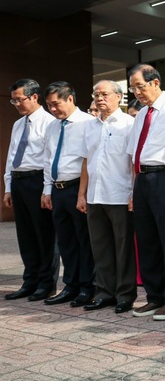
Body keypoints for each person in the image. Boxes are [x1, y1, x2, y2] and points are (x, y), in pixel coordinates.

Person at [126, 64, 165, 321]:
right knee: (147, 241)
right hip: (142, 180)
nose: (138, 92)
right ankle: (154, 297)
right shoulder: (142, 114)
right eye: (133, 88)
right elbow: (135, 155)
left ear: (155, 82)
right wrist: (134, 189)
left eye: (140, 86)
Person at [76, 80, 137, 313]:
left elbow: (134, 162)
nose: (100, 98)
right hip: (94, 196)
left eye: (105, 94)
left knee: (123, 249)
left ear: (118, 97)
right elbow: (86, 161)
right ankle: (104, 293)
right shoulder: (89, 126)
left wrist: (134, 192)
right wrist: (82, 195)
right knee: (100, 247)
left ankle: (124, 295)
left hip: (120, 194)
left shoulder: (129, 124)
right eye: (96, 94)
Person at [41, 81, 96, 307]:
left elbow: (89, 160)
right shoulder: (52, 126)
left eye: (56, 104)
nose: (53, 109)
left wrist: (83, 194)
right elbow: (47, 159)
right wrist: (47, 189)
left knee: (84, 240)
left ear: (70, 99)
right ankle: (70, 286)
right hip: (58, 188)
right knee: (66, 242)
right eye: (49, 105)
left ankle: (87, 287)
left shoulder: (88, 123)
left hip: (77, 188)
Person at [3, 79, 58, 301]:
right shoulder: (18, 124)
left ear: (34, 97)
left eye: (20, 99)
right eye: (13, 100)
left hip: (38, 180)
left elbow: (49, 159)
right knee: (25, 235)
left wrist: (47, 189)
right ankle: (30, 280)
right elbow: (10, 157)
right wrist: (8, 186)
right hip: (18, 181)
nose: (17, 104)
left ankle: (47, 283)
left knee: (44, 234)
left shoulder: (49, 122)